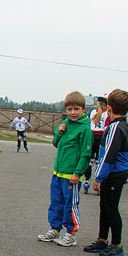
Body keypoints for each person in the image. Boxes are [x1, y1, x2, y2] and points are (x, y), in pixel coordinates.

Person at [83, 89, 128, 256]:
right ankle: (102, 239)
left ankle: (117, 245)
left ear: (109, 108)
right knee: (104, 206)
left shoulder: (115, 127)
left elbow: (108, 155)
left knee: (111, 208)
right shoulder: (125, 126)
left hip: (113, 173)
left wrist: (99, 177)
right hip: (117, 172)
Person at [37, 91, 93, 247]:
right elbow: (56, 143)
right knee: (56, 203)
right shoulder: (66, 125)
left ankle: (71, 233)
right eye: (69, 109)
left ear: (83, 109)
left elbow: (85, 154)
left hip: (71, 175)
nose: (73, 113)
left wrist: (77, 173)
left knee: (70, 204)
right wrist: (59, 132)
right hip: (58, 172)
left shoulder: (85, 130)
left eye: (76, 109)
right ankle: (54, 229)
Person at [82, 95, 107, 193]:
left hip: (91, 137)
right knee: (99, 160)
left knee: (89, 159)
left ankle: (87, 180)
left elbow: (89, 124)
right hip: (101, 138)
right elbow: (106, 128)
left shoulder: (93, 112)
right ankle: (98, 180)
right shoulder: (106, 115)